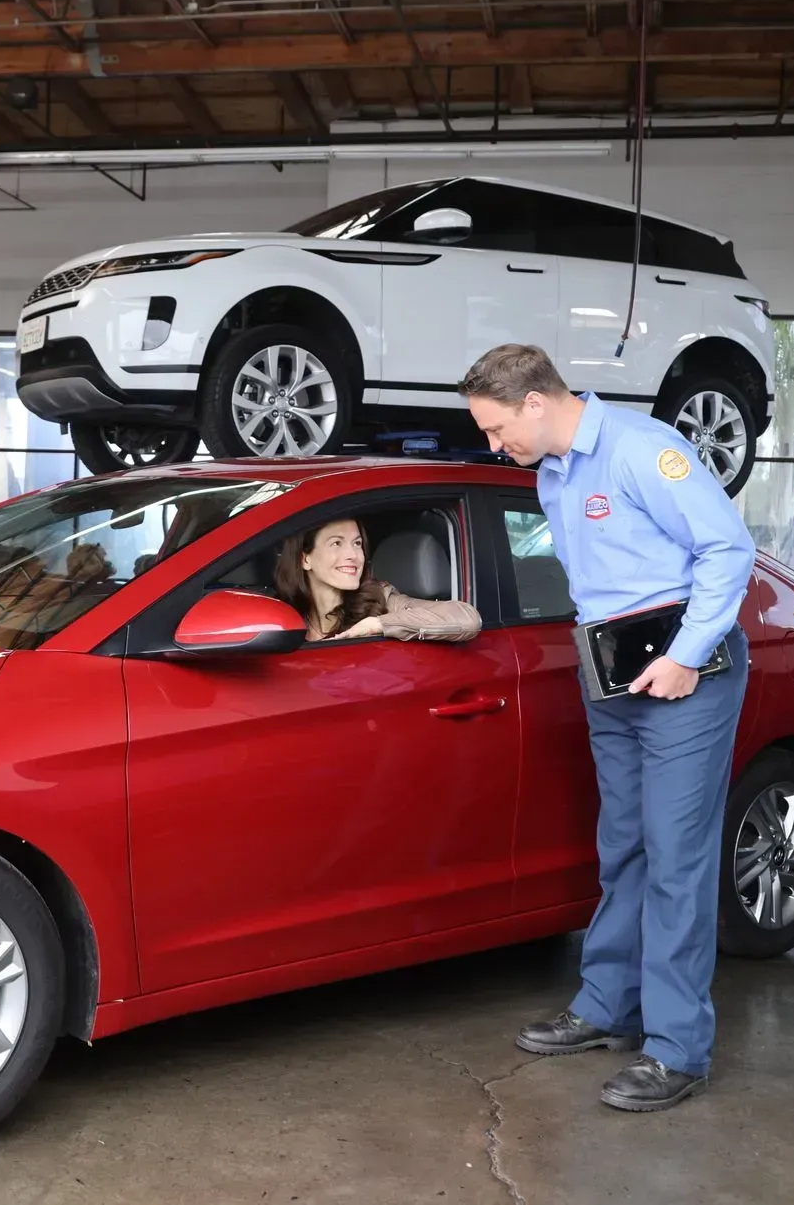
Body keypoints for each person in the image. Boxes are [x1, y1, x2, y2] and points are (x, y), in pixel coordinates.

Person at [460, 343, 756, 1114]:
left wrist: (688, 655)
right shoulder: (553, 472)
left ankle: (675, 1048)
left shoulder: (641, 449)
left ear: (534, 401)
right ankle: (606, 1004)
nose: (495, 446)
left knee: (675, 856)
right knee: (621, 843)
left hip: (684, 673)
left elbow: (728, 548)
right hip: (612, 672)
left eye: (496, 429)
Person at [273, 518, 482, 643]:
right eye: (337, 543)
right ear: (305, 559)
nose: (353, 555)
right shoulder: (283, 612)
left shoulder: (379, 599)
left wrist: (378, 624)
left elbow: (466, 618)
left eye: (357, 543)